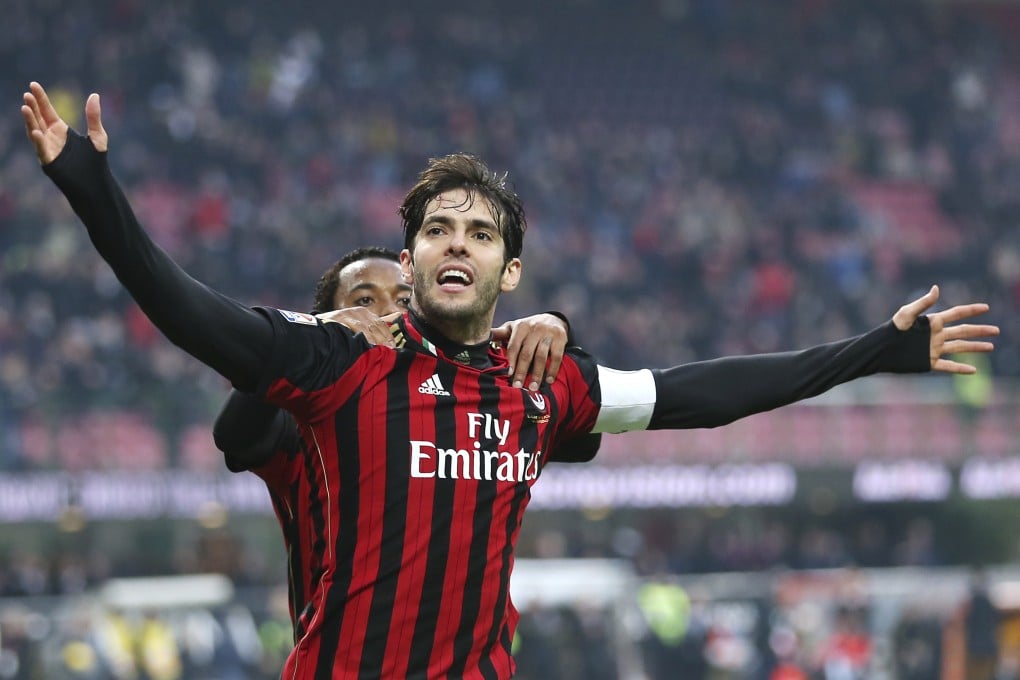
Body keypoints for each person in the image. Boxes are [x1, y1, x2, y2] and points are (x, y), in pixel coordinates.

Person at [23, 82, 998, 679]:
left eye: (480, 232)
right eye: (438, 228)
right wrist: (99, 196)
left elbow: (701, 391)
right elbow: (189, 309)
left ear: (509, 269)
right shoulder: (343, 361)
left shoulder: (539, 383)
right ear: (410, 260)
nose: (458, 242)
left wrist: (877, 347)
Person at [213, 246, 601, 632]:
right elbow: (233, 436)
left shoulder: (464, 402)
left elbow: (584, 439)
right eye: (364, 299)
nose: (386, 311)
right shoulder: (306, 423)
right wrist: (306, 338)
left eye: (403, 299)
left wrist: (556, 328)